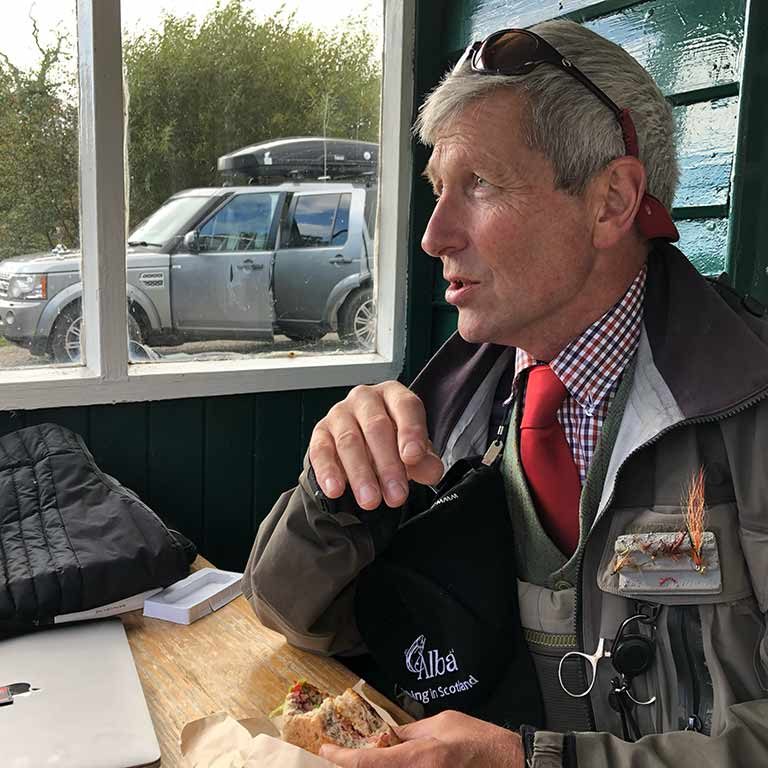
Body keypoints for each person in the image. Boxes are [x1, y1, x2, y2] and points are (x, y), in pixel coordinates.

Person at [242, 18, 768, 768]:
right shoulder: (446, 407)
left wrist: (536, 763)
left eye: (480, 184)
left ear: (612, 200)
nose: (434, 235)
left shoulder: (752, 408)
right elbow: (290, 613)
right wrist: (334, 489)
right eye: (437, 189)